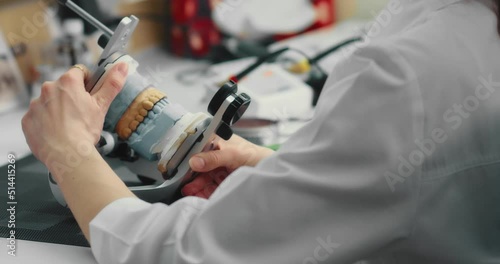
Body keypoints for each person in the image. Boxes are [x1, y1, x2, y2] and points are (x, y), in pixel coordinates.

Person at [22, 0, 500, 263]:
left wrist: (68, 152)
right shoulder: (464, 39)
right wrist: (290, 174)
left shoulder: (412, 73)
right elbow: (436, 189)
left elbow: (179, 256)